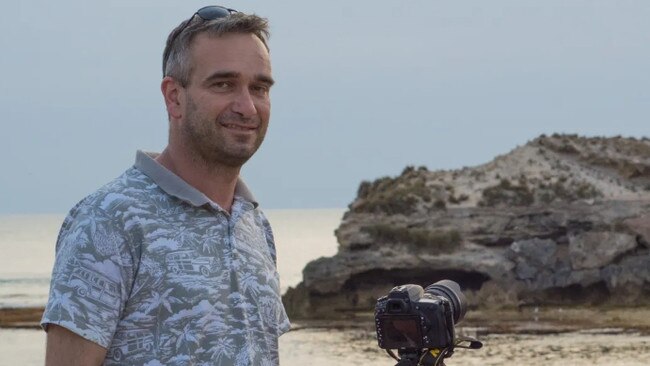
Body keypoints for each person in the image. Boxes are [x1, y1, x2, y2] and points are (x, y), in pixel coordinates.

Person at [41, 5, 290, 365]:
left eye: (260, 88)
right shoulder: (110, 219)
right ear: (174, 97)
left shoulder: (254, 224)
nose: (247, 106)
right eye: (223, 84)